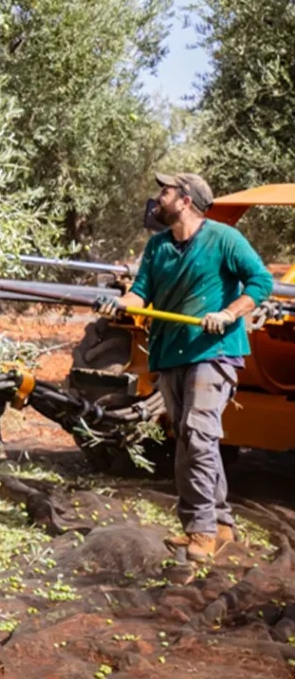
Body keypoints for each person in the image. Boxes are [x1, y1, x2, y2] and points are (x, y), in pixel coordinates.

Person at [94, 171, 273, 563]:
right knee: (194, 440)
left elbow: (260, 282)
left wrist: (228, 313)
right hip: (170, 353)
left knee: (197, 435)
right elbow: (141, 294)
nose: (157, 198)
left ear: (187, 200)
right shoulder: (158, 246)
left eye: (165, 191)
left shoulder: (224, 239)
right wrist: (121, 304)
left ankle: (201, 531)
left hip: (215, 350)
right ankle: (222, 525)